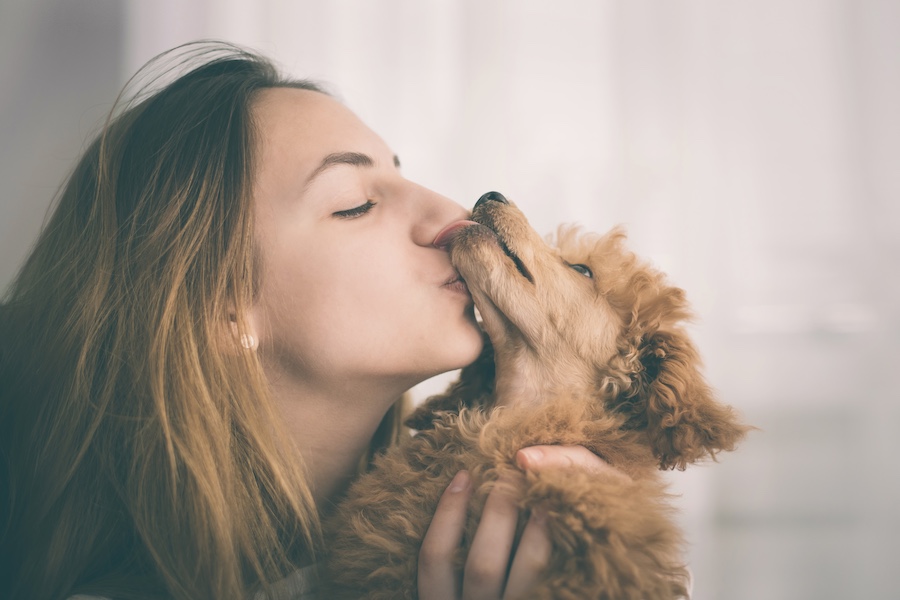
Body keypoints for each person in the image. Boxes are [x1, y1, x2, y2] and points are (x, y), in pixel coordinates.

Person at [0, 42, 612, 600]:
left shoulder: (525, 527)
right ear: (224, 309)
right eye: (356, 204)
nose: (452, 215)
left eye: (400, 171)